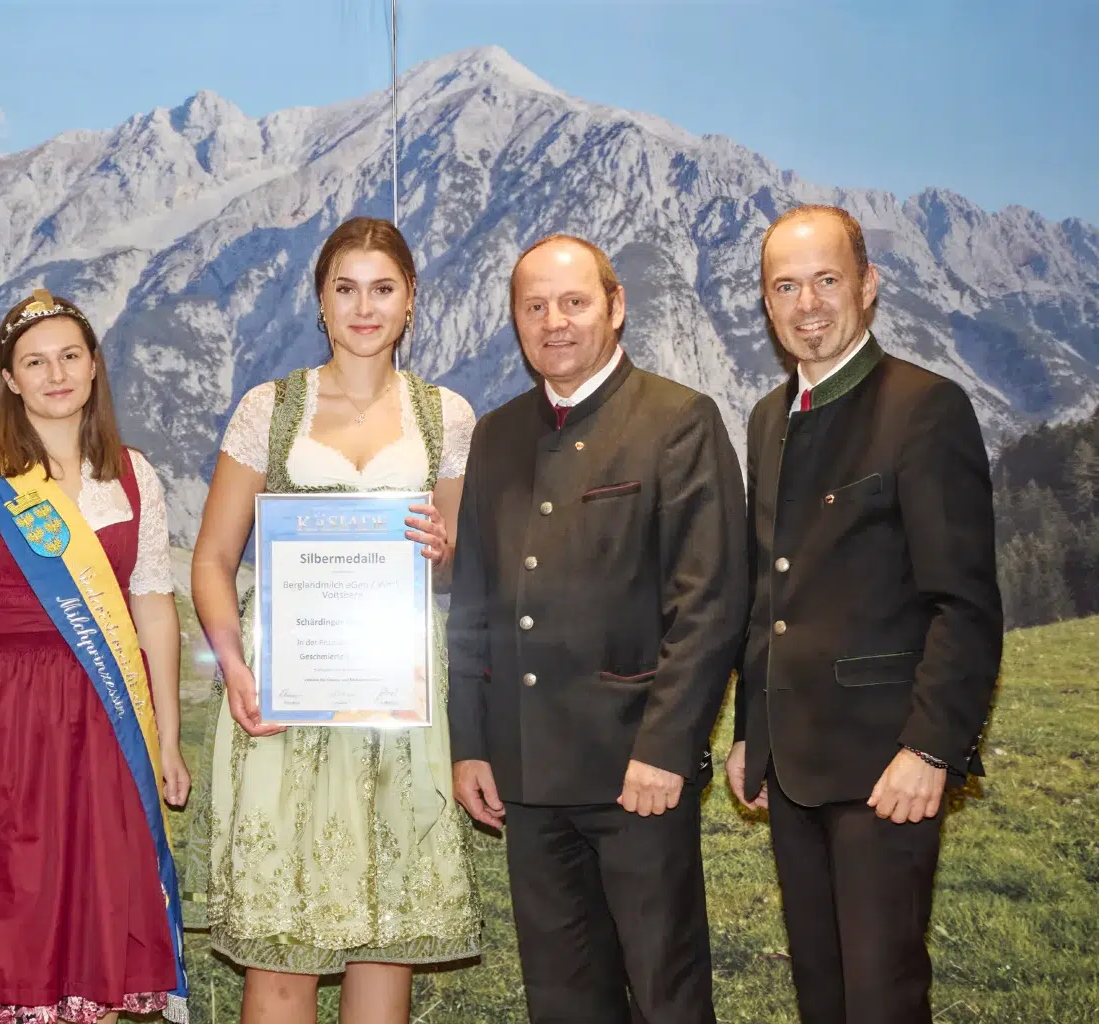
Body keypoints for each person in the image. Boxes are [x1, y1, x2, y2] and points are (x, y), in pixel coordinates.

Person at [186, 216, 481, 1024]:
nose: (363, 307)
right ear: (320, 301)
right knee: (282, 951)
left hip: (397, 703)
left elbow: (455, 567)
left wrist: (443, 548)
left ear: (411, 300)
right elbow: (212, 560)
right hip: (285, 696)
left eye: (381, 289)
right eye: (344, 289)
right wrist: (237, 667)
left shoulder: (446, 416)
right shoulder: (269, 408)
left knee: (381, 942)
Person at [447, 235, 746, 1024]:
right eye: (534, 306)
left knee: (664, 993)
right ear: (515, 320)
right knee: (563, 1000)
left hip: (635, 775)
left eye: (574, 302)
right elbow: (471, 604)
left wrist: (666, 747)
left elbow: (709, 601)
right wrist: (470, 743)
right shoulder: (498, 434)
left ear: (616, 307)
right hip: (527, 775)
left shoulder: (679, 420)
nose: (555, 322)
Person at [725, 205, 1003, 1024]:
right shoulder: (767, 419)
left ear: (868, 286)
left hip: (889, 770)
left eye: (826, 281)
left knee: (881, 999)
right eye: (786, 286)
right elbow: (767, 591)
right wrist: (751, 730)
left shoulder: (927, 406)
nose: (808, 304)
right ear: (767, 305)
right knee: (822, 993)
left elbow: (965, 601)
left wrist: (930, 747)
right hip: (792, 765)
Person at [0, 289, 191, 1024]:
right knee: (12, 916)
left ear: (95, 366)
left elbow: (154, 604)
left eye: (70, 356)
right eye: (34, 362)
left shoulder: (134, 475)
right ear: (8, 379)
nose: (56, 374)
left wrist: (166, 734)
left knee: (92, 912)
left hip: (108, 720)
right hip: (10, 718)